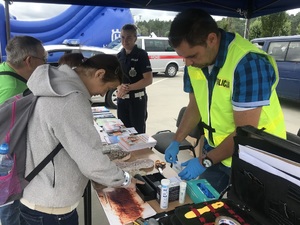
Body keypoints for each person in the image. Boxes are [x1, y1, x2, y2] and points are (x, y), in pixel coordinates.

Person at [165, 8, 286, 193]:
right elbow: (195, 106)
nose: (187, 63)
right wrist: (176, 140)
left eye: (192, 56)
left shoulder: (248, 64)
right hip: (216, 151)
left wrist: (204, 161)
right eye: (183, 57)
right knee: (200, 205)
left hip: (255, 158)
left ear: (211, 39)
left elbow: (245, 134)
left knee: (241, 215)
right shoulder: (194, 64)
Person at [19, 54, 143, 225]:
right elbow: (92, 163)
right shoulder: (71, 100)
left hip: (36, 194)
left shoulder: (55, 86)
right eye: (108, 87)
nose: (103, 93)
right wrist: (125, 179)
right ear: (99, 74)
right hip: (51, 208)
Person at [0, 35, 46, 225]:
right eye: (43, 60)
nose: (45, 65)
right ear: (29, 61)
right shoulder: (12, 89)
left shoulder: (3, 71)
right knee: (11, 210)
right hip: (8, 164)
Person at [116, 24, 153, 134]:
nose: (125, 40)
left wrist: (128, 88)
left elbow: (148, 79)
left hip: (137, 101)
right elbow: (117, 78)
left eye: (129, 37)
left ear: (135, 38)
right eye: (122, 37)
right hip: (122, 100)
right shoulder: (119, 56)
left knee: (138, 133)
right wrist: (119, 87)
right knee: (123, 132)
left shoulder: (141, 55)